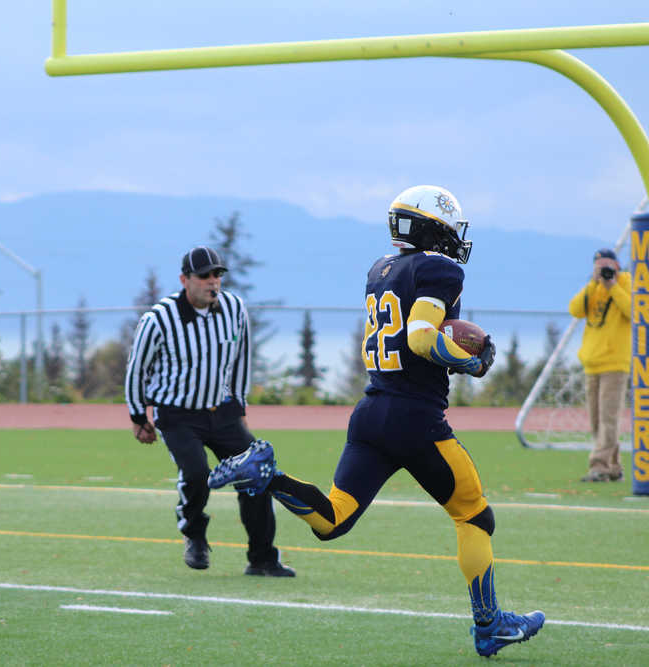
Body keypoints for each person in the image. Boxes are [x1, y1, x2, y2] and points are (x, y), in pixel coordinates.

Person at [208, 185, 545, 658]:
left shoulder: (380, 269)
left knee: (332, 520)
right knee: (473, 515)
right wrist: (472, 363)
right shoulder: (439, 268)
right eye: (448, 229)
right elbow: (423, 338)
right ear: (434, 229)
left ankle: (268, 476)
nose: (454, 240)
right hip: (415, 419)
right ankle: (490, 625)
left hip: (370, 415)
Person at [124, 245, 295, 577]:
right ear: (185, 279)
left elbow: (242, 359)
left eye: (217, 275)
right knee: (197, 474)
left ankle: (262, 558)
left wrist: (240, 406)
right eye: (204, 276)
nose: (212, 282)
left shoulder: (234, 308)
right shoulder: (158, 318)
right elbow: (136, 369)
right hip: (177, 413)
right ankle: (194, 533)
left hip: (222, 411)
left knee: (257, 474)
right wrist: (137, 416)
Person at [569, 248, 632, 482]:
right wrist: (593, 284)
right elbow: (575, 310)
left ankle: (600, 467)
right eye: (600, 266)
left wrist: (612, 286)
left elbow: (633, 311)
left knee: (608, 418)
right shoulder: (593, 288)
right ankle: (614, 467)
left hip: (615, 363)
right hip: (592, 363)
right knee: (597, 421)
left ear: (617, 266)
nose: (605, 271)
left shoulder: (626, 283)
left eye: (609, 266)